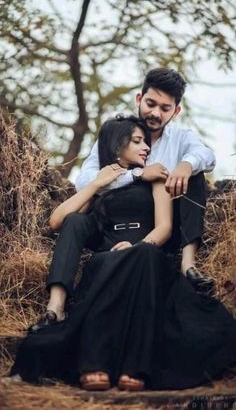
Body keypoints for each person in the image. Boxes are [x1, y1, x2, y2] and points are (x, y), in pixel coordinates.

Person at [11, 116, 236, 392]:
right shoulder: (101, 186)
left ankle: (136, 367)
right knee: (99, 257)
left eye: (146, 142)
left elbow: (164, 228)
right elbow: (58, 221)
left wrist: (138, 245)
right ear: (118, 147)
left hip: (146, 255)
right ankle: (92, 360)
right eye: (138, 141)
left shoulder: (155, 176)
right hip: (108, 258)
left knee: (145, 257)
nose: (146, 148)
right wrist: (95, 185)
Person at [75, 67, 216, 293]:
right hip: (116, 227)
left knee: (196, 175)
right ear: (139, 99)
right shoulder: (116, 136)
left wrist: (186, 164)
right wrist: (137, 175)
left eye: (165, 108)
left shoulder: (181, 138)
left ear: (176, 111)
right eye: (151, 104)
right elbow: (83, 182)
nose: (156, 113)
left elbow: (208, 156)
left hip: (162, 228)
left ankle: (188, 264)